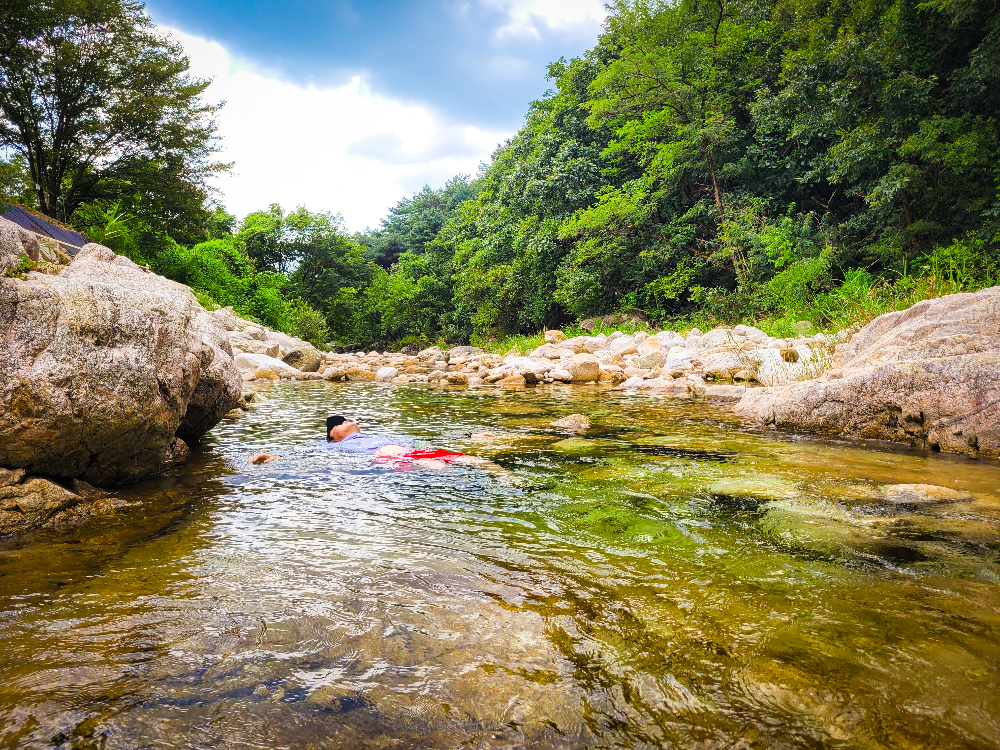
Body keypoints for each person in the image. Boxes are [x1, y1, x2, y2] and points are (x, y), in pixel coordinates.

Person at [250, 415, 500, 472]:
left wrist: (468, 437)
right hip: (387, 455)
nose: (348, 421)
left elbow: (424, 440)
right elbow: (308, 458)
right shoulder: (331, 446)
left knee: (470, 458)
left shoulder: (374, 435)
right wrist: (274, 458)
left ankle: (510, 480)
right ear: (333, 434)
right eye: (342, 421)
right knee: (441, 468)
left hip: (408, 450)